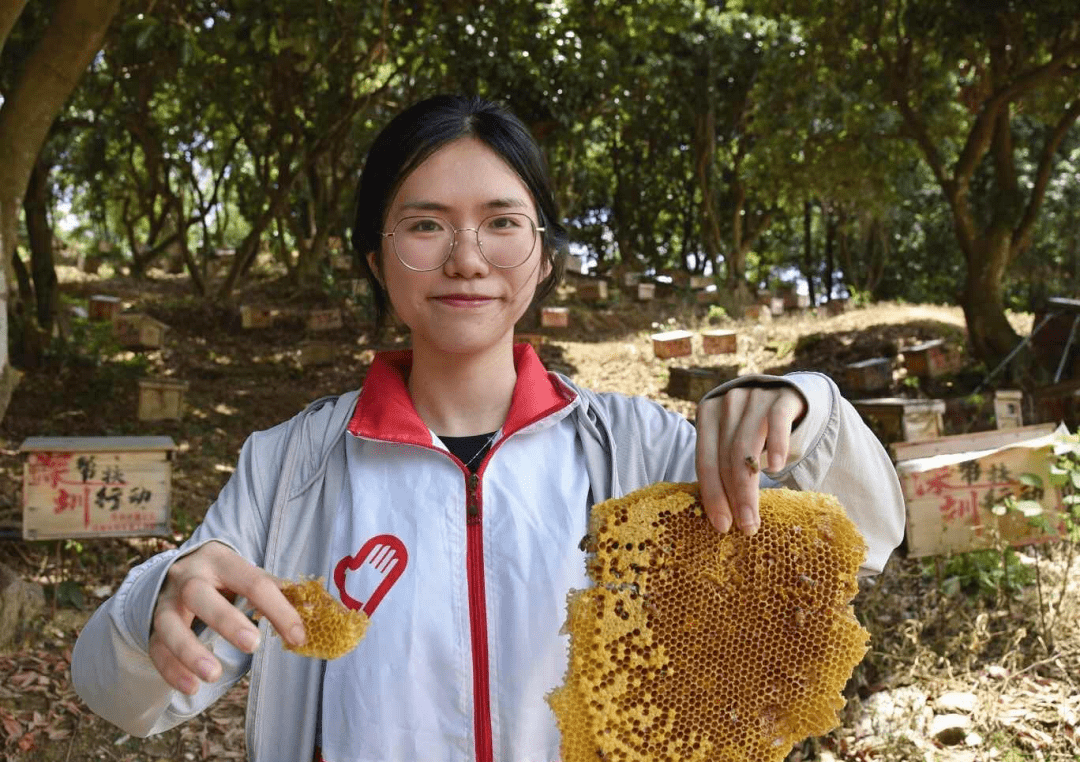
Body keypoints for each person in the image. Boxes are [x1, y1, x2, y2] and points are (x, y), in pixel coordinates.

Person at [72, 94, 906, 762]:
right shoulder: (287, 470)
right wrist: (155, 608)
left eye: (503, 223)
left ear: (542, 256)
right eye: (426, 224)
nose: (467, 258)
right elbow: (120, 699)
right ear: (378, 257)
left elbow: (866, 537)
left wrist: (802, 402)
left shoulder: (643, 454)